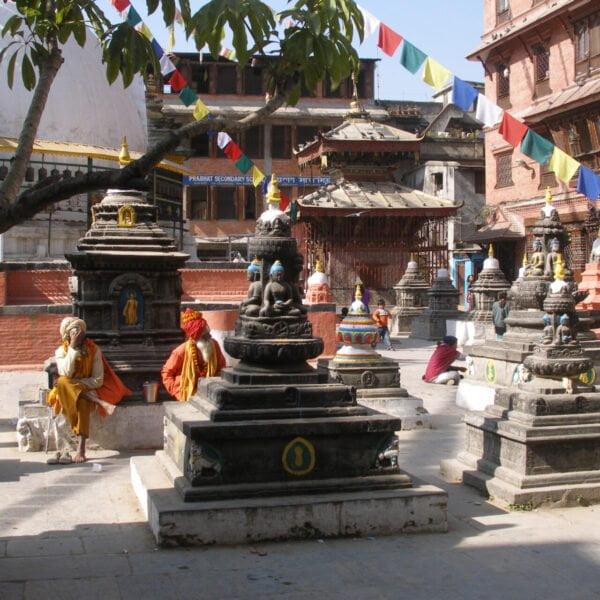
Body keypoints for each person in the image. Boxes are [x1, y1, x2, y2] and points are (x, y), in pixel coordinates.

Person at [47, 317, 131, 464]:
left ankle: (81, 448)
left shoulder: (94, 350)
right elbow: (65, 372)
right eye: (75, 333)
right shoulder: (61, 351)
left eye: (81, 333)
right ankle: (100, 403)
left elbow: (97, 380)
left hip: (85, 389)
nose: (80, 337)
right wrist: (73, 347)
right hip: (66, 390)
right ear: (68, 336)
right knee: (62, 382)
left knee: (77, 395)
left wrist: (75, 384)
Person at [161, 309, 227, 402]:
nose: (209, 336)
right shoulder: (181, 351)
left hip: (210, 394)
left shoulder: (214, 345)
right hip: (186, 396)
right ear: (196, 338)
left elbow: (221, 367)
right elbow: (166, 373)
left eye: (208, 332)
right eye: (204, 335)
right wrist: (178, 393)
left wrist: (215, 387)